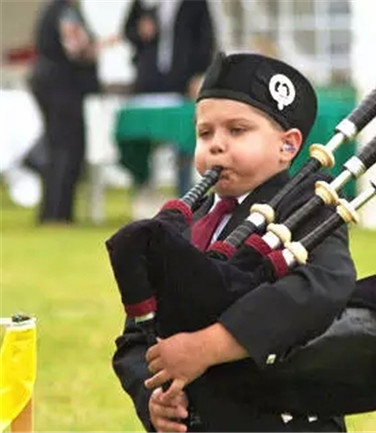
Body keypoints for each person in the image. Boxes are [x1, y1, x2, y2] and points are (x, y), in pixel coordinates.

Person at [112, 52, 357, 432]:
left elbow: (318, 289)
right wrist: (153, 400)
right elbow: (137, 333)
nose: (216, 145)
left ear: (288, 146)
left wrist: (206, 347)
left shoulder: (308, 208)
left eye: (237, 130)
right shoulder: (181, 224)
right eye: (205, 132)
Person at [121, 0, 216, 206]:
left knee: (183, 139)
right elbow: (128, 31)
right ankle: (144, 189)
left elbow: (206, 39)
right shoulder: (144, 4)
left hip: (182, 82)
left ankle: (185, 196)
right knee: (141, 137)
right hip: (148, 82)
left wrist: (199, 75)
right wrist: (140, 32)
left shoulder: (195, 4)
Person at [29, 0, 100, 224]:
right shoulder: (67, 12)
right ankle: (60, 214)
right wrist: (96, 48)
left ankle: (50, 212)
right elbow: (76, 47)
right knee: (68, 150)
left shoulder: (51, 10)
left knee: (55, 149)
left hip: (48, 84)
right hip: (63, 87)